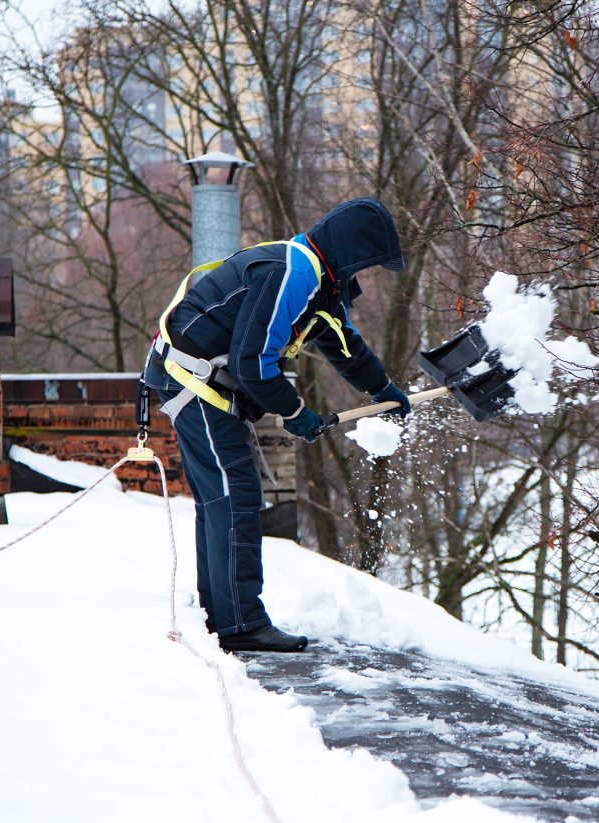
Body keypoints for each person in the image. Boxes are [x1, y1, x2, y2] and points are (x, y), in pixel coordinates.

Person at [141, 197, 411, 652]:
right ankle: (240, 624)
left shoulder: (316, 279)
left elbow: (345, 345)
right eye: (366, 264)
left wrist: (383, 389)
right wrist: (294, 411)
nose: (362, 277)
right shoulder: (295, 272)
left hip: (194, 381)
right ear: (350, 251)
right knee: (234, 494)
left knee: (221, 498)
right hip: (192, 381)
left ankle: (221, 612)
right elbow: (253, 362)